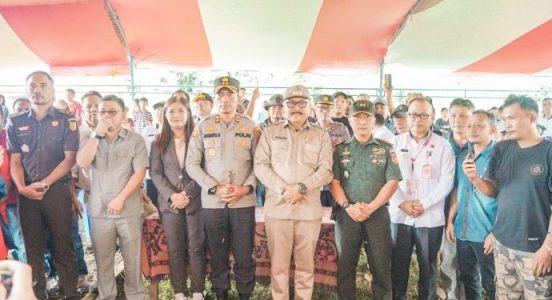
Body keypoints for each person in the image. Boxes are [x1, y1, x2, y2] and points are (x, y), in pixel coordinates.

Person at [467, 95, 552, 298]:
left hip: (535, 248)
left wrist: (548, 247)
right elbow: (494, 190)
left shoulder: (548, 152)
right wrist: (475, 179)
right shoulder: (502, 148)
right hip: (503, 243)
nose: (507, 124)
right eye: (504, 119)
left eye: (512, 118)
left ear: (532, 117)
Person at [255, 84, 333, 300]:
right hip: (278, 210)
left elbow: (326, 170)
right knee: (278, 267)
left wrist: (301, 188)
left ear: (310, 107)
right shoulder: (270, 133)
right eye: (291, 103)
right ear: (284, 106)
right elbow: (260, 166)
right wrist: (284, 189)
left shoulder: (321, 135)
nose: (296, 107)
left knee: (305, 267)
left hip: (308, 211)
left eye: (301, 103)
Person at [7, 71, 80, 299]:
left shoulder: (67, 120)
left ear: (52, 89)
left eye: (42, 85)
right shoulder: (16, 121)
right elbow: (15, 160)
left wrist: (45, 184)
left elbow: (70, 159)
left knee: (63, 246)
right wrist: (21, 187)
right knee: (32, 249)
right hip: (27, 194)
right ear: (27, 89)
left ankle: (70, 292)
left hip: (57, 192)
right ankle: (37, 293)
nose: (37, 89)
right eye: (32, 85)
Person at [186, 76, 259, 300]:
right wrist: (214, 187)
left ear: (239, 97)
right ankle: (221, 294)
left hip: (242, 202)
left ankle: (245, 294)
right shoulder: (203, 126)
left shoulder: (250, 127)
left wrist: (245, 189)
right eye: (220, 94)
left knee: (244, 253)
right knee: (217, 253)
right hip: (213, 203)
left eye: (230, 95)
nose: (225, 99)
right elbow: (191, 164)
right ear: (215, 97)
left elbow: (261, 164)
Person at [76, 95, 148, 300]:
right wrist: (97, 134)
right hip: (99, 210)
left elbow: (139, 173)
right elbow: (82, 162)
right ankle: (107, 296)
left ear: (123, 115)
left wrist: (121, 198)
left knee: (132, 258)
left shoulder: (135, 139)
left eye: (112, 112)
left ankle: (135, 296)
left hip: (129, 210)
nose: (107, 116)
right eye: (102, 112)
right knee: (103, 260)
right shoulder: (90, 138)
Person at [330, 100, 402, 299]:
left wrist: (371, 207)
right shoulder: (340, 150)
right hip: (347, 215)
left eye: (367, 117)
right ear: (350, 120)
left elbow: (393, 181)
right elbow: (334, 182)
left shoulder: (386, 149)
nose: (362, 122)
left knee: (381, 267)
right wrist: (348, 206)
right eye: (357, 117)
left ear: (373, 120)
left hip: (377, 215)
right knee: (345, 268)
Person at [389, 97, 455, 300]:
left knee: (428, 267)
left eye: (423, 115)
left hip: (430, 216)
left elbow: (447, 181)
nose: (418, 119)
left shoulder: (443, 145)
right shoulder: (395, 142)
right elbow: (387, 178)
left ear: (432, 117)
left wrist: (423, 204)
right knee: (398, 266)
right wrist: (402, 203)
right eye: (413, 114)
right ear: (407, 117)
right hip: (400, 216)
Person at [150, 96, 205, 300]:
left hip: (195, 203)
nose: (176, 115)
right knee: (175, 249)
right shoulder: (158, 143)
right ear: (165, 115)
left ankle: (198, 290)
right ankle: (180, 291)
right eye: (171, 111)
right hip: (170, 204)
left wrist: (186, 194)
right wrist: (173, 195)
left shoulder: (198, 139)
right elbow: (155, 173)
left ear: (188, 113)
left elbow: (204, 169)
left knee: (196, 247)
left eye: (181, 110)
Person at [446, 110, 497, 300]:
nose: (472, 129)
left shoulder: (499, 157)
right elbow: (457, 191)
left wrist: (496, 232)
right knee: (468, 278)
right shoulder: (462, 157)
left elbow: (506, 198)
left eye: (479, 125)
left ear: (492, 129)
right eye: (470, 125)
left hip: (487, 233)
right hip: (463, 231)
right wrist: (451, 220)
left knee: (491, 282)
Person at [440, 97, 474, 300]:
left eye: (463, 115)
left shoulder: (481, 145)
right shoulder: (441, 144)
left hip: (474, 214)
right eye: (454, 115)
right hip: (443, 211)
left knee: (471, 266)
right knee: (448, 260)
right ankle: (453, 296)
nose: (458, 120)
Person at [313, 94, 350, 207]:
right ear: (315, 108)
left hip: (336, 182)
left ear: (333, 109)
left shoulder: (342, 129)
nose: (324, 111)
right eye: (321, 107)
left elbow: (348, 156)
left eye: (328, 108)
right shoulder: (309, 130)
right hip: (315, 183)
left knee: (335, 218)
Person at [256, 94, 285, 206]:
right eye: (273, 107)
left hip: (283, 175)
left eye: (280, 107)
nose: (277, 110)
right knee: (261, 208)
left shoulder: (290, 128)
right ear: (268, 110)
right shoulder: (258, 128)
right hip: (263, 174)